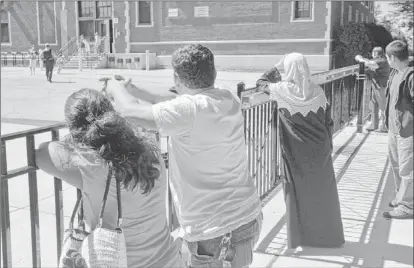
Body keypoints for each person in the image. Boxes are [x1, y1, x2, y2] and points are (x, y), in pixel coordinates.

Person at [105, 44, 262, 268]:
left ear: (177, 78)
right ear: (214, 73)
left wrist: (115, 87)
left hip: (215, 233)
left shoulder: (188, 111)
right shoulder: (227, 97)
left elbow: (129, 112)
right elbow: (169, 99)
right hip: (247, 217)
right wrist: (135, 90)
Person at [35, 88, 186, 267]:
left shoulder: (93, 165)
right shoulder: (149, 150)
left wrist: (75, 144)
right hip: (168, 259)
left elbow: (42, 153)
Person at [256, 53, 345, 249]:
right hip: (320, 150)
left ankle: (300, 238)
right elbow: (328, 122)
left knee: (296, 192)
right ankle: (329, 238)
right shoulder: (318, 91)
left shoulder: (281, 90)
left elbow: (261, 82)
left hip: (295, 151)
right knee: (323, 192)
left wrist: (275, 66)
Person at [383, 40, 413, 219]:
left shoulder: (411, 75)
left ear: (392, 57)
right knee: (396, 166)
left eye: (387, 58)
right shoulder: (395, 73)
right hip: (394, 131)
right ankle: (400, 198)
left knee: (407, 170)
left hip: (407, 132)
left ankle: (407, 206)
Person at [355, 47, 391, 132]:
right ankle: (374, 125)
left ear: (375, 53)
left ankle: (385, 126)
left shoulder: (382, 61)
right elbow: (370, 65)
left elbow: (371, 64)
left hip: (381, 87)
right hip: (377, 86)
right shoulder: (381, 60)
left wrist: (360, 59)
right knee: (373, 106)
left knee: (383, 107)